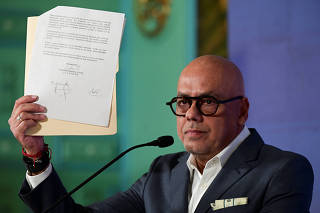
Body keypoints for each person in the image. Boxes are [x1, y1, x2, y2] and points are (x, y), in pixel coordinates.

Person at [9, 55, 314, 213]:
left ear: (242, 111)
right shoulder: (162, 172)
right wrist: (36, 156)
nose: (191, 114)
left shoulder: (283, 171)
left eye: (207, 102)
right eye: (183, 102)